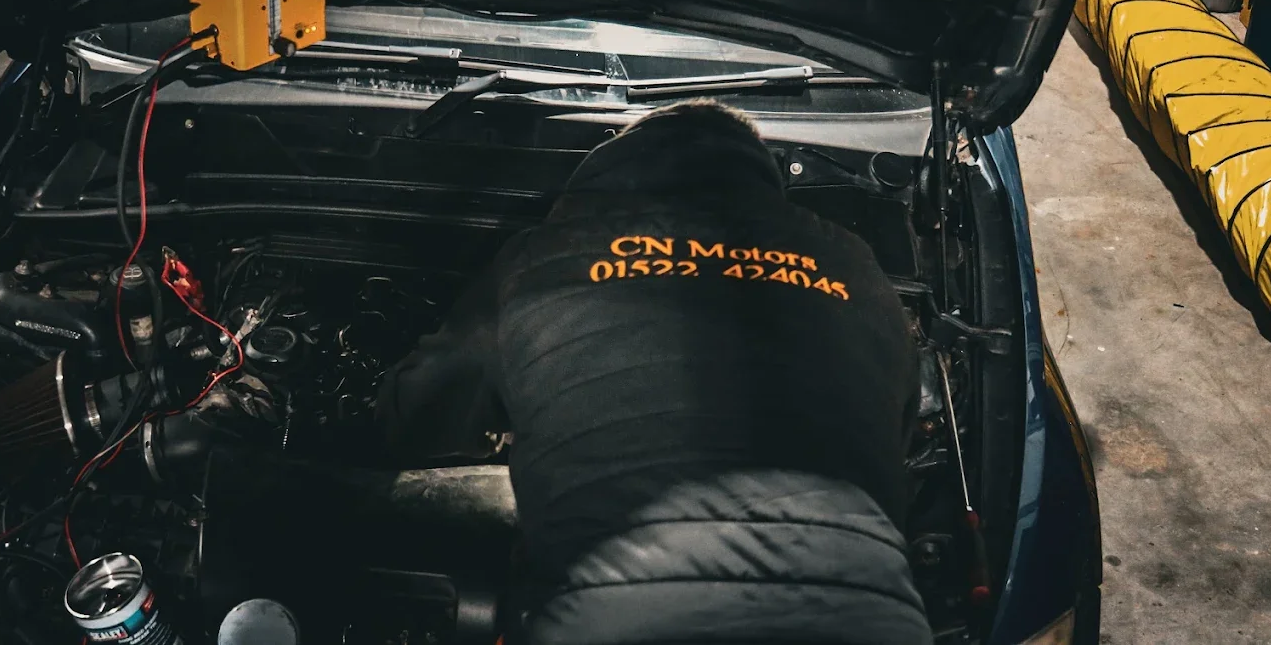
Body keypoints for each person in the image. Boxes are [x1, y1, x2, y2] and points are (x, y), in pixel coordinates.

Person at [376, 100, 932, 645]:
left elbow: (427, 410)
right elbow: (894, 435)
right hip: (868, 618)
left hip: (616, 615)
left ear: (608, 174)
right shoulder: (855, 263)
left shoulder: (545, 255)